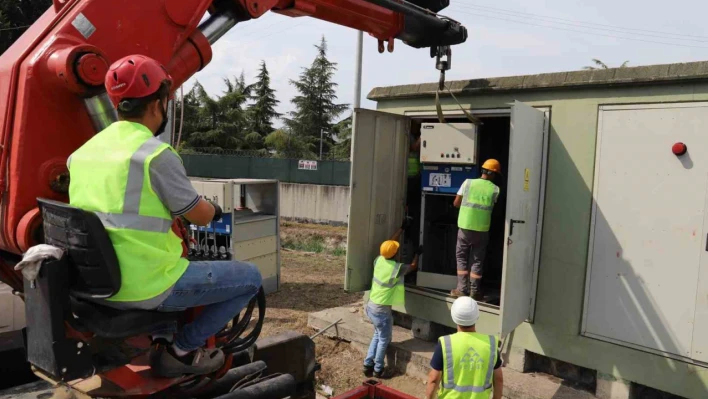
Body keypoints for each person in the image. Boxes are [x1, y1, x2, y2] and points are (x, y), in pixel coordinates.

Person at [67, 55, 262, 377]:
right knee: (250, 278)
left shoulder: (82, 154)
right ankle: (183, 350)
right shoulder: (154, 154)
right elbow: (197, 215)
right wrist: (213, 209)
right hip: (144, 285)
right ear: (159, 103)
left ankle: (161, 336)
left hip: (94, 283)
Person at [363, 222, 422, 379]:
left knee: (377, 334)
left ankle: (368, 364)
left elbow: (388, 244)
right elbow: (414, 266)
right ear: (395, 254)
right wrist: (418, 253)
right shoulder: (397, 268)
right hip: (382, 310)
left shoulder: (379, 260)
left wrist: (401, 229)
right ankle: (378, 369)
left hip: (371, 306)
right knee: (384, 339)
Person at [425, 297, 503, 399]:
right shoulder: (491, 344)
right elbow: (498, 379)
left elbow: (434, 379)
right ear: (477, 316)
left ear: (453, 316)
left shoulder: (445, 343)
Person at [451, 159, 501, 300]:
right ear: (494, 174)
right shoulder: (495, 189)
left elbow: (456, 203)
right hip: (482, 229)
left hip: (465, 227)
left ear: (483, 170)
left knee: (461, 257)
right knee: (477, 260)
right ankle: (474, 291)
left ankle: (461, 289)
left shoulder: (467, 183)